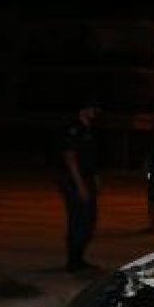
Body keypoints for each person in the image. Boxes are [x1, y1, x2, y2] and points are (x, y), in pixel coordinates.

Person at [56, 104, 101, 272]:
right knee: (79, 219)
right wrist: (80, 185)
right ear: (83, 109)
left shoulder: (88, 129)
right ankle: (74, 262)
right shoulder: (73, 128)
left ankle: (79, 259)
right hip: (73, 179)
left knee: (88, 220)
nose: (96, 111)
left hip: (86, 177)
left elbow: (90, 157)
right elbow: (70, 158)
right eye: (93, 108)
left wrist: (95, 177)